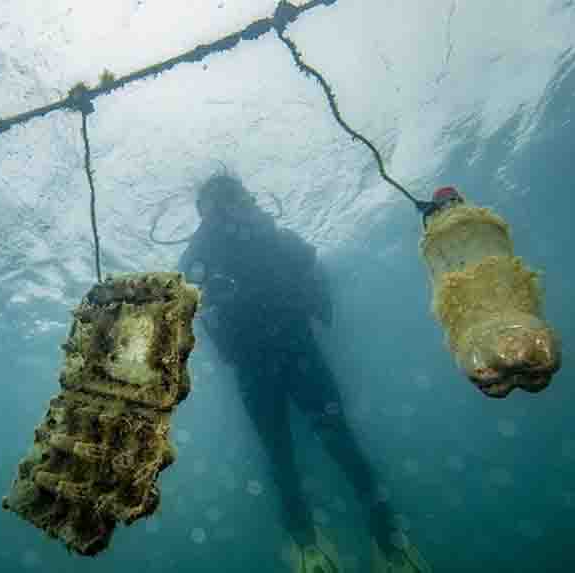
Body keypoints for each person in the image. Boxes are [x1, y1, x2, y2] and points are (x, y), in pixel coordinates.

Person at [177, 172, 430, 573]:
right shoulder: (211, 251)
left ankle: (356, 543)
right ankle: (354, 544)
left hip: (281, 358)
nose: (225, 215)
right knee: (307, 451)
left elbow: (308, 267)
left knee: (304, 452)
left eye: (228, 203)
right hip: (279, 358)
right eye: (214, 209)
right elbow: (188, 285)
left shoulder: (269, 240)